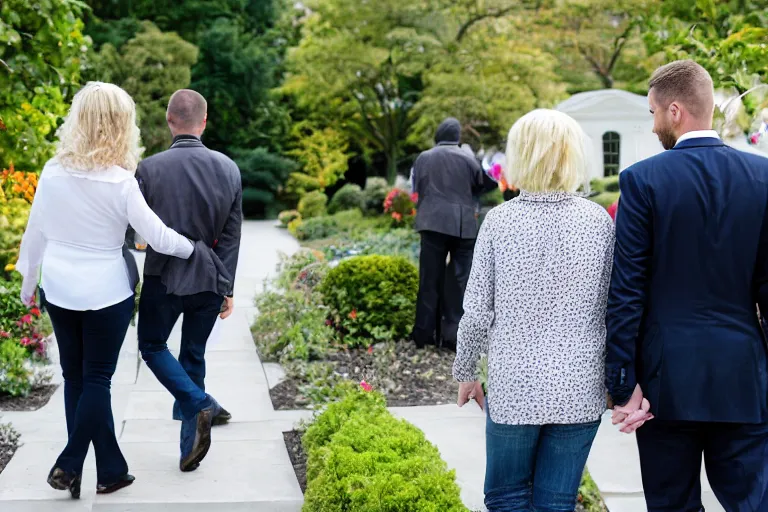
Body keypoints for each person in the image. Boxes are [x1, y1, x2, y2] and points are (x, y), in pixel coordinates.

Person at [15, 82, 195, 497]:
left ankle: (109, 469)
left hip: (58, 287)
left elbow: (35, 234)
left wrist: (28, 285)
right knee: (97, 378)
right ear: (120, 126)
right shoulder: (120, 181)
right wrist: (197, 249)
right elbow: (159, 238)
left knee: (74, 377)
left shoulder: (52, 171)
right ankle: (70, 461)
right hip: (105, 291)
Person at [606, 60, 768, 511]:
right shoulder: (764, 179)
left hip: (665, 383)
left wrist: (623, 384)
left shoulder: (642, 180)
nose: (654, 123)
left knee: (672, 503)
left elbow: (628, 289)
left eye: (655, 112)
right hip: (743, 378)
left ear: (675, 111)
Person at [454, 109, 615, 511]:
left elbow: (476, 310)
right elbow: (616, 308)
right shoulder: (599, 222)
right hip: (580, 385)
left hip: (515, 385)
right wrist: (619, 378)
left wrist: (466, 373)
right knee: (556, 503)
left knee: (506, 496)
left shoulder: (499, 222)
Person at [135, 89, 242, 472]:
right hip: (209, 278)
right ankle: (188, 449)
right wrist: (226, 286)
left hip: (163, 276)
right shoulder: (228, 168)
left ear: (169, 120)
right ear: (204, 121)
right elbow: (230, 236)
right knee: (193, 355)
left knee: (151, 344)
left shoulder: (148, 169)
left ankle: (199, 404)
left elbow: (137, 233)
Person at [410, 117, 485, 349]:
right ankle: (453, 337)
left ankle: (424, 335)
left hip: (432, 223)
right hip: (463, 225)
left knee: (429, 279)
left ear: (438, 135)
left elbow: (417, 188)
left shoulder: (424, 157)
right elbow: (481, 184)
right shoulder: (468, 158)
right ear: (457, 137)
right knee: (460, 280)